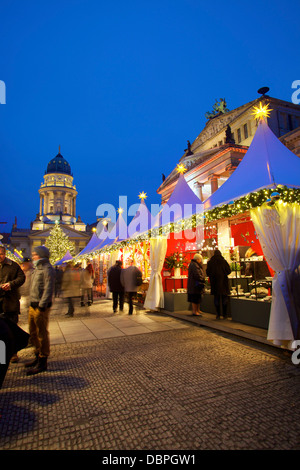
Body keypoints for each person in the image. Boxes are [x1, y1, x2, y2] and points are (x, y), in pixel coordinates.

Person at [25, 245, 54, 375]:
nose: (33, 256)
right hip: (33, 304)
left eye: (35, 254)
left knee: (41, 333)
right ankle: (37, 355)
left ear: (41, 255)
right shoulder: (37, 268)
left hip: (40, 307)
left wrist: (42, 305)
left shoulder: (47, 269)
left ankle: (43, 360)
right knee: (32, 332)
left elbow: (48, 288)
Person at [0, 245, 26, 362]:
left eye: (1, 254)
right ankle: (2, 355)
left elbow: (21, 278)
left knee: (12, 328)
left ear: (4, 254)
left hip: (10, 302)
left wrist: (11, 284)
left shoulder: (13, 265)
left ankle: (13, 353)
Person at [206, 249, 231, 320]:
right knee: (224, 298)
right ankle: (225, 315)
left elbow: (208, 272)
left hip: (214, 283)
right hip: (223, 283)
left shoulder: (210, 262)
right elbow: (228, 271)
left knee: (216, 298)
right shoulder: (223, 261)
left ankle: (218, 314)